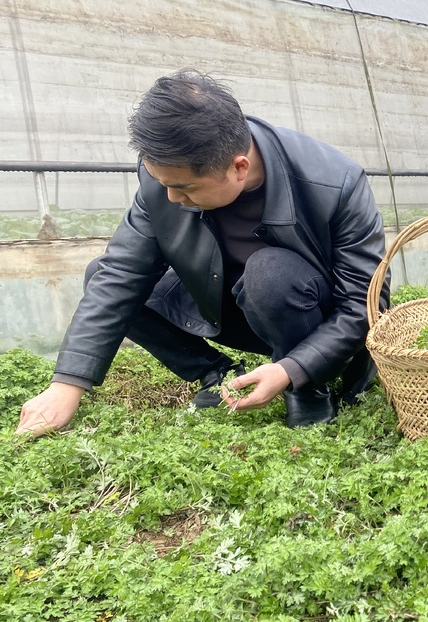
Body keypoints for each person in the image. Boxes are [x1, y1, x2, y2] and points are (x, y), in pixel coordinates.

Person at [17, 69, 390, 436]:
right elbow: (121, 275)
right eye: (163, 183)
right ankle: (218, 375)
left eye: (185, 188)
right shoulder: (165, 176)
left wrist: (292, 369)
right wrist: (67, 383)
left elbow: (363, 302)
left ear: (238, 167)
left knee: (269, 272)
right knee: (101, 273)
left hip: (309, 316)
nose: (171, 198)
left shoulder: (334, 182)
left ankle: (308, 388)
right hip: (230, 307)